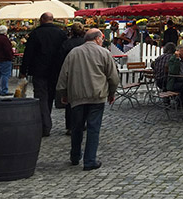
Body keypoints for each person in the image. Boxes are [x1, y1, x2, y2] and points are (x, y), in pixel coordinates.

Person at [56, 28, 119, 171]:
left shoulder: (73, 53)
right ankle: (90, 160)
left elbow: (63, 76)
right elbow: (113, 77)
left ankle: (75, 156)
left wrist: (63, 94)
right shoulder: (104, 53)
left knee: (77, 127)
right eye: (101, 39)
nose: (102, 41)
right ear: (97, 39)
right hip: (97, 96)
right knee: (93, 128)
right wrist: (111, 93)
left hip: (77, 96)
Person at [20, 12, 67, 137]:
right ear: (52, 20)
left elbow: (28, 53)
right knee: (50, 97)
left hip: (39, 70)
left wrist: (23, 70)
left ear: (42, 20)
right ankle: (46, 120)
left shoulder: (36, 33)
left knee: (41, 97)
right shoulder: (61, 34)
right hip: (56, 70)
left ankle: (45, 125)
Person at [58, 22, 86, 134]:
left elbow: (61, 61)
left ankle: (70, 126)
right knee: (84, 100)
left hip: (71, 74)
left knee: (70, 102)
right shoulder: (85, 43)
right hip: (85, 74)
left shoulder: (67, 44)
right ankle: (82, 123)